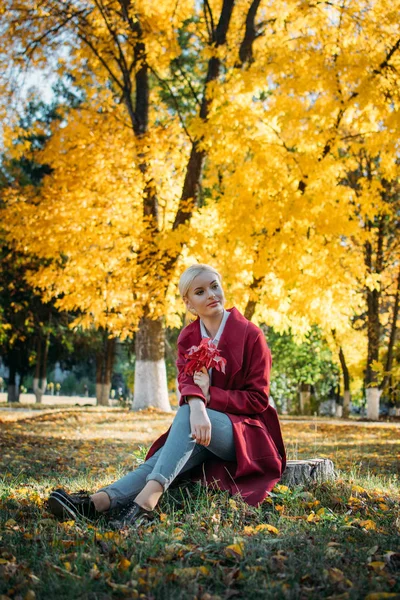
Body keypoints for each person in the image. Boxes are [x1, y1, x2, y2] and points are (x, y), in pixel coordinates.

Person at [47, 264, 286, 529]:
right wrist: (198, 407)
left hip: (244, 435)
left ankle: (146, 504)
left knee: (185, 415)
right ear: (188, 302)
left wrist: (209, 396)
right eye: (200, 291)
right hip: (200, 429)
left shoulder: (251, 335)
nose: (211, 295)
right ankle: (96, 503)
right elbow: (187, 380)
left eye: (214, 286)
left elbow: (257, 400)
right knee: (158, 462)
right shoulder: (189, 336)